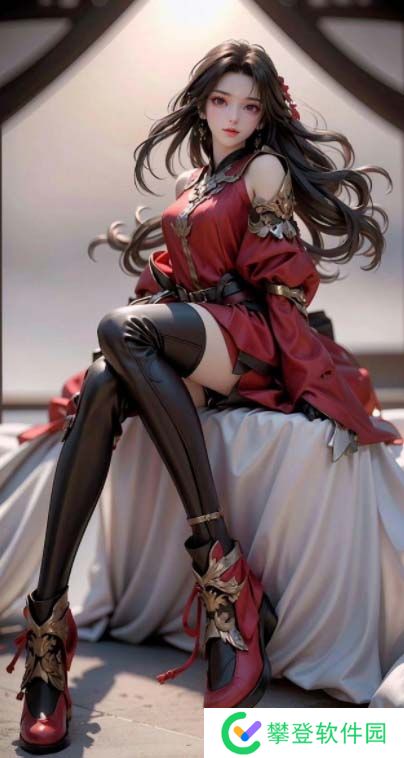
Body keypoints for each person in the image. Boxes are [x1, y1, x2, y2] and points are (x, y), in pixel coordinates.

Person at [6, 39, 403, 753]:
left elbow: (282, 277)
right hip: (191, 335)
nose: (234, 116)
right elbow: (170, 275)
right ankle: (49, 629)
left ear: (266, 113)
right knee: (102, 381)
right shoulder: (195, 177)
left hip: (246, 335)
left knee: (120, 328)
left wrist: (292, 351)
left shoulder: (264, 168)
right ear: (202, 104)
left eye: (249, 106)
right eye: (221, 101)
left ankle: (219, 571)